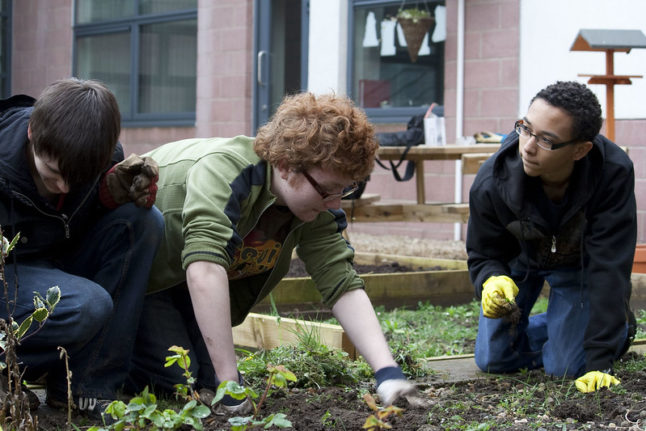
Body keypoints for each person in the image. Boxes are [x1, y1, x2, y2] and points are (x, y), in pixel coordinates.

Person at [127, 92, 416, 410]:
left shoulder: (315, 205)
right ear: (285, 166)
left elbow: (341, 281)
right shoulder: (225, 172)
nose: (336, 203)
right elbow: (205, 268)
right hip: (142, 280)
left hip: (184, 281)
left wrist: (387, 373)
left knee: (204, 382)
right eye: (329, 190)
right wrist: (231, 386)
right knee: (183, 383)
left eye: (345, 190)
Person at [0, 78, 164, 417]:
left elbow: (68, 217)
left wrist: (103, 198)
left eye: (76, 179)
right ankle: (7, 374)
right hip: (8, 277)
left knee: (144, 221)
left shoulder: (101, 156)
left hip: (55, 263)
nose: (62, 186)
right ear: (32, 132)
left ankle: (86, 385)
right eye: (53, 172)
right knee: (88, 305)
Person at [466, 80, 637, 393]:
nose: (528, 146)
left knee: (567, 367)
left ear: (580, 149)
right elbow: (483, 252)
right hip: (522, 261)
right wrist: (491, 279)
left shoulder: (612, 174)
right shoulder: (493, 180)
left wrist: (599, 358)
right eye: (526, 129)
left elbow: (609, 266)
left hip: (578, 265)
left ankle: (617, 327)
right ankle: (565, 325)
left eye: (546, 140)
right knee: (494, 359)